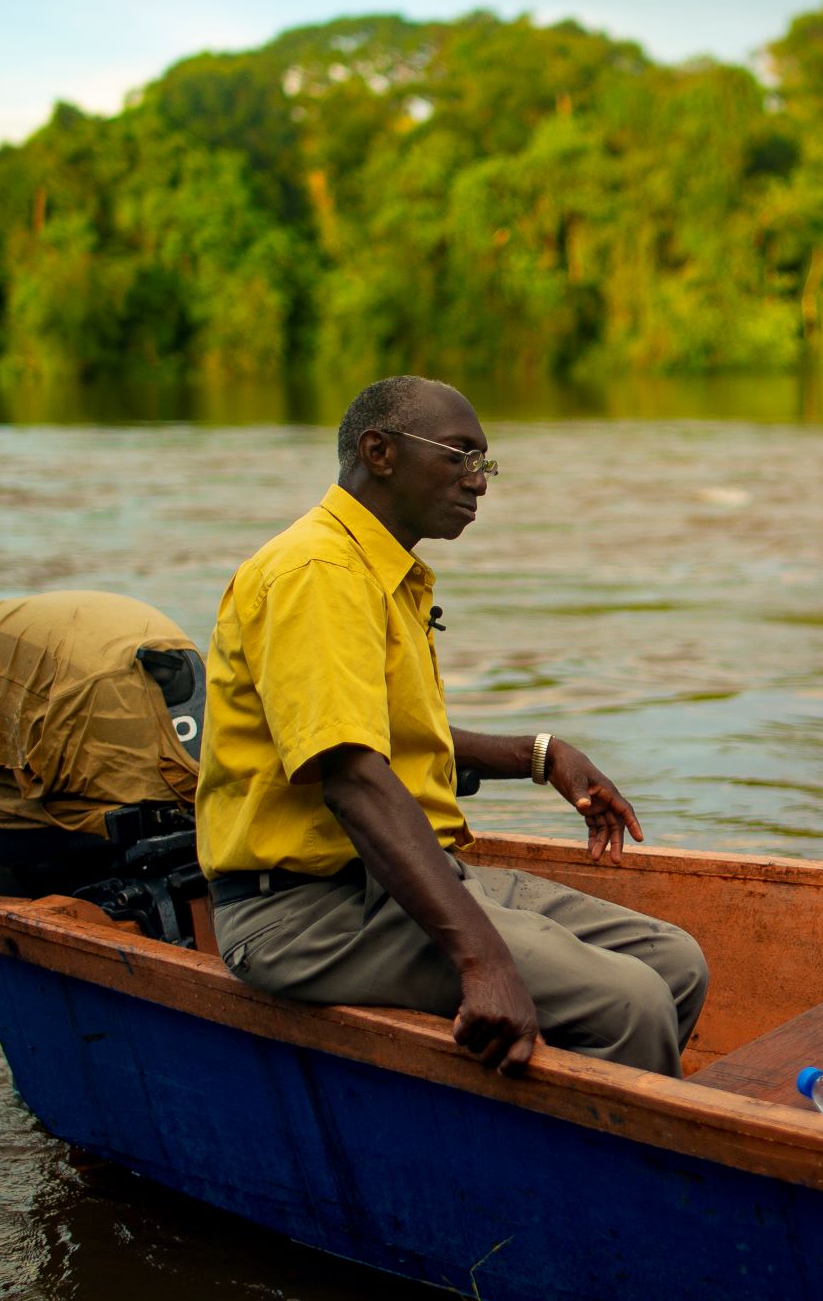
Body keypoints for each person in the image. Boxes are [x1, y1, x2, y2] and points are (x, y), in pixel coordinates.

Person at [195, 375, 707, 1076]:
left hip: (402, 881)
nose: (480, 482)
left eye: (486, 462)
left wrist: (540, 754)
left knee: (674, 964)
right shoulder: (316, 571)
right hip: (307, 912)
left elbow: (398, 738)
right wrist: (482, 959)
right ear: (380, 452)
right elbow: (353, 779)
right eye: (461, 455)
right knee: (631, 1003)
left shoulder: (385, 574)